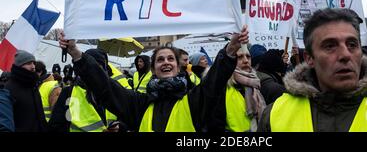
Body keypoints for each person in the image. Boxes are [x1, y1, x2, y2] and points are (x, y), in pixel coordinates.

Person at [258, 8, 367, 132]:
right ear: (309, 58)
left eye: (352, 45)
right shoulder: (274, 115)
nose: (345, 54)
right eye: (330, 46)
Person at [58, 26, 248, 132]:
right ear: (154, 69)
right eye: (160, 60)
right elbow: (105, 87)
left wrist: (231, 49)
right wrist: (75, 52)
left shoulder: (193, 100)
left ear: (178, 66)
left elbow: (214, 81)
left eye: (170, 59)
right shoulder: (140, 104)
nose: (166, 62)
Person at [49, 48, 125, 132]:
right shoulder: (69, 92)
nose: (94, 71)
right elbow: (58, 124)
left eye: (98, 67)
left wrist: (119, 127)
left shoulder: (112, 91)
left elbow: (126, 119)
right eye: (90, 67)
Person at [208, 45, 266, 132]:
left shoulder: (255, 84)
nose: (246, 61)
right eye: (239, 57)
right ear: (229, 61)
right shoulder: (220, 89)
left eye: (248, 56)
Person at [4, 50, 47, 132]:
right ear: (19, 66)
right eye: (28, 63)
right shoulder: (9, 88)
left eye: (34, 63)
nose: (33, 66)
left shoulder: (33, 85)